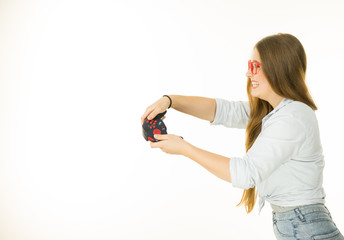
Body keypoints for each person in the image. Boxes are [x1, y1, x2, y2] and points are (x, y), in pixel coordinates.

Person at [141, 33, 344, 239]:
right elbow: (224, 111)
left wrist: (184, 148)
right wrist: (170, 100)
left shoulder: (293, 117)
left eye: (255, 66)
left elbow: (246, 173)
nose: (248, 73)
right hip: (300, 224)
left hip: (305, 227)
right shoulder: (276, 112)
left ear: (278, 69)